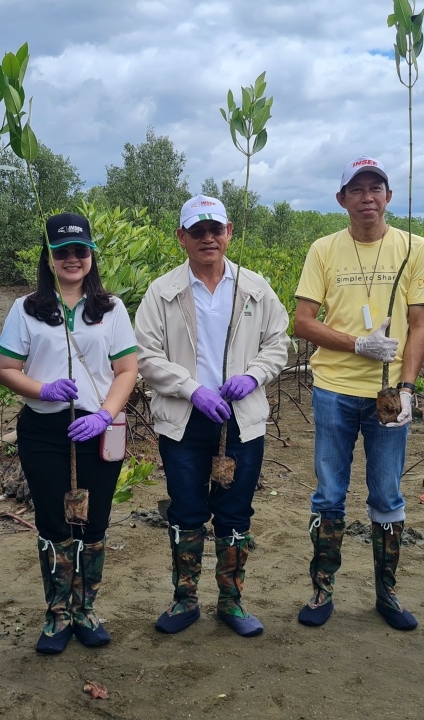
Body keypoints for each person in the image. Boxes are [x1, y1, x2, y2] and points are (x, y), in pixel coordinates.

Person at [136, 195, 290, 637]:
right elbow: (145, 353)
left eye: (215, 230)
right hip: (184, 420)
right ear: (181, 237)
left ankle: (232, 602)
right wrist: (192, 389)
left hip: (241, 418)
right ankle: (185, 601)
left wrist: (255, 376)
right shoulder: (161, 291)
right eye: (197, 231)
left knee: (236, 511)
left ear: (229, 233)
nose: (208, 238)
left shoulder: (255, 288)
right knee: (186, 509)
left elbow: (278, 341)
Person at [292, 155, 424, 630]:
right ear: (342, 199)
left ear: (389, 197)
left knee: (388, 493)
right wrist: (357, 344)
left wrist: (408, 386)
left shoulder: (415, 247)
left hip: (389, 394)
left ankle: (387, 593)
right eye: (357, 189)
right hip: (333, 388)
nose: (367, 197)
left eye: (377, 188)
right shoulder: (323, 249)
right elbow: (304, 320)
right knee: (329, 492)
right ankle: (321, 589)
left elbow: (419, 324)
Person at [0, 213, 138, 654]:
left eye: (80, 250)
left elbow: (127, 369)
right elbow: (5, 370)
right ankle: (58, 615)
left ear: (91, 255)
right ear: (50, 258)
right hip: (44, 428)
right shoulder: (27, 308)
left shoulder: (110, 309)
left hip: (98, 426)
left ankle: (86, 610)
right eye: (62, 251)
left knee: (93, 522)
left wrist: (105, 414)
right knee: (54, 521)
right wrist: (44, 388)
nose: (72, 258)